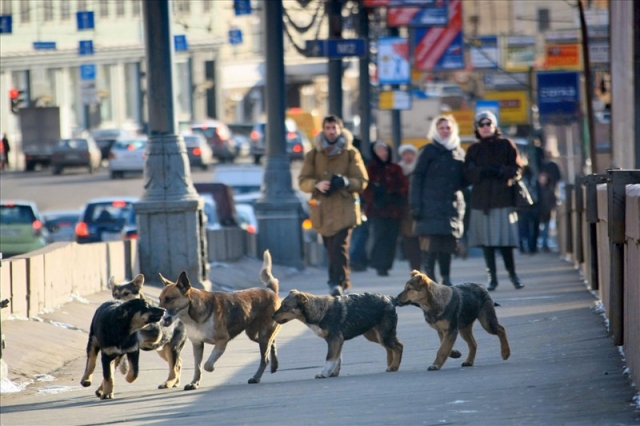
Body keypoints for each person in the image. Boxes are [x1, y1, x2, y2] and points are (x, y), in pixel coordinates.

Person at [299, 115, 369, 296]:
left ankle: (337, 282)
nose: (331, 131)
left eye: (334, 128)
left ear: (340, 129)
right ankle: (342, 281)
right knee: (330, 248)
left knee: (340, 246)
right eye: (328, 128)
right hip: (322, 210)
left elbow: (362, 181)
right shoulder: (313, 155)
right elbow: (302, 181)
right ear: (323, 130)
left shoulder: (350, 153)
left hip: (344, 208)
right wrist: (317, 184)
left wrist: (345, 182)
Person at [463, 111, 525, 291]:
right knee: (487, 243)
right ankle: (492, 278)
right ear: (477, 128)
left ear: (494, 125)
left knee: (505, 242)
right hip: (481, 201)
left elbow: (517, 168)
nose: (485, 127)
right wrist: (481, 172)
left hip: (503, 199)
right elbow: (466, 173)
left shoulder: (506, 144)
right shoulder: (473, 149)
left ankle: (513, 275)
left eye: (488, 123)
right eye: (481, 124)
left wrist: (500, 171)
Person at [410, 115, 466, 286]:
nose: (445, 131)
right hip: (429, 206)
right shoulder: (428, 151)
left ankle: (446, 278)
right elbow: (416, 179)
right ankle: (430, 279)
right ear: (436, 130)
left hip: (451, 206)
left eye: (448, 128)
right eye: (441, 128)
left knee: (447, 246)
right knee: (430, 247)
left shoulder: (458, 152)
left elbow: (464, 181)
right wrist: (415, 206)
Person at [361, 141, 408, 276]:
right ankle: (379, 264)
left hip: (394, 209)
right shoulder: (370, 169)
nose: (383, 153)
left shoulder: (395, 168)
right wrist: (374, 198)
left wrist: (397, 195)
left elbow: (403, 186)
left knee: (392, 237)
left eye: (385, 151)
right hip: (377, 210)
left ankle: (387, 264)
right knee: (379, 236)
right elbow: (365, 188)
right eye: (380, 151)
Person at [397, 144, 421, 271]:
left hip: (420, 207)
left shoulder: (420, 168)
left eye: (410, 153)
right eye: (405, 154)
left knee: (421, 239)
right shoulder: (398, 170)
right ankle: (415, 266)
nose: (408, 156)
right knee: (409, 239)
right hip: (405, 209)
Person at [537, 171, 558, 252]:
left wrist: (551, 208)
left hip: (546, 212)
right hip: (538, 211)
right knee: (539, 229)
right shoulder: (537, 190)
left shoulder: (549, 189)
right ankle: (540, 244)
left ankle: (544, 245)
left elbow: (553, 201)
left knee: (546, 229)